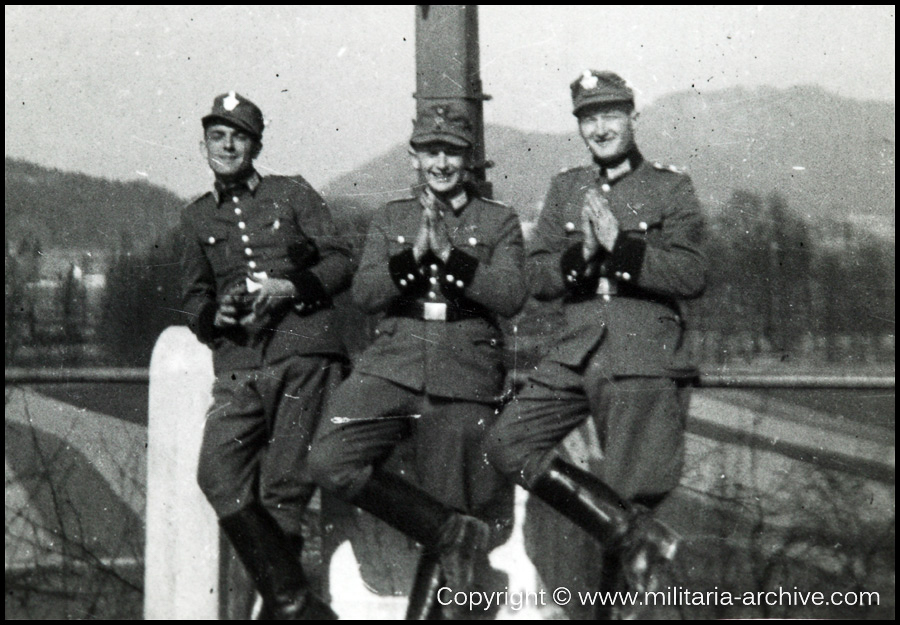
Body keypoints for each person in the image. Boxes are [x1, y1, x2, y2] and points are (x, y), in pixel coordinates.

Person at [486, 70, 708, 599]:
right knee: (507, 441)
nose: (600, 128)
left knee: (632, 500)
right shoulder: (566, 188)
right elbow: (538, 280)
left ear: (633, 117)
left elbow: (692, 274)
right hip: (574, 353)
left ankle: (629, 548)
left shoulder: (670, 186)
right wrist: (582, 254)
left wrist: (621, 247)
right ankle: (631, 533)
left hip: (641, 354)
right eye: (589, 118)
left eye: (610, 114)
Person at [306, 102, 527, 618]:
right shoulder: (392, 218)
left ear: (469, 160)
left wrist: (452, 258)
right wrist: (412, 258)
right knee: (329, 457)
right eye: (431, 151)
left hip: (463, 372)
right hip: (393, 363)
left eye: (452, 152)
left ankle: (450, 558)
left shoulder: (498, 221)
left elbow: (512, 294)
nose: (441, 163)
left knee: (454, 498)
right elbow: (364, 292)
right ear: (414, 158)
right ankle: (452, 533)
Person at [179, 91, 352, 619]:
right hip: (237, 363)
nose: (227, 145)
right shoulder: (194, 218)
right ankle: (298, 604)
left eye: (238, 136)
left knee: (284, 488)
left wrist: (290, 287)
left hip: (302, 352)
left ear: (255, 145)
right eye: (217, 136)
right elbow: (193, 298)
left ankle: (285, 608)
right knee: (216, 472)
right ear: (204, 143)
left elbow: (342, 260)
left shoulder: (292, 193)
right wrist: (216, 318)